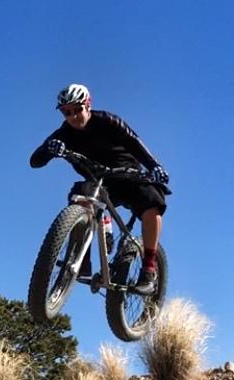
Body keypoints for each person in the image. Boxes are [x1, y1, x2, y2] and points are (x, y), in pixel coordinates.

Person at [29, 83, 170, 294]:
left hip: (129, 175)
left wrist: (155, 166)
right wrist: (48, 150)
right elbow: (35, 161)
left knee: (152, 203)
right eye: (67, 112)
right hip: (100, 182)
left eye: (77, 109)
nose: (73, 116)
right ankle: (81, 260)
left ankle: (149, 269)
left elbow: (134, 143)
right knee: (81, 195)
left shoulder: (107, 121)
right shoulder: (63, 134)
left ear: (88, 104)